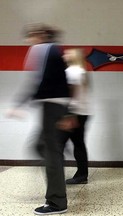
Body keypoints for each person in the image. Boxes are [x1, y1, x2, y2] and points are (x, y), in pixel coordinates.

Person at [7, 23, 70, 214]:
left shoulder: (42, 49)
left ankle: (56, 203)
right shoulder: (55, 50)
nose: (28, 40)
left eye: (31, 36)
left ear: (40, 35)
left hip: (51, 106)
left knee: (50, 152)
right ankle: (57, 168)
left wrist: (18, 104)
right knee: (41, 146)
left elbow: (36, 81)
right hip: (55, 105)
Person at [62, 48, 90, 184]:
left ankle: (58, 174)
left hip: (72, 113)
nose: (65, 55)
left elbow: (70, 92)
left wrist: (68, 113)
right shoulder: (82, 71)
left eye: (68, 53)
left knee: (60, 143)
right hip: (83, 112)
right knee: (79, 144)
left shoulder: (71, 72)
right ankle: (82, 174)